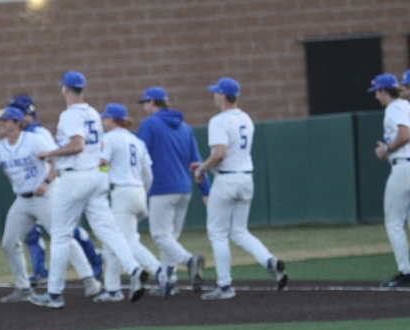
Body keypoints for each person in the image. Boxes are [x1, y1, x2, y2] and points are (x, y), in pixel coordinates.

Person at [28, 71, 150, 309]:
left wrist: (49, 153)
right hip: (96, 176)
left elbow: (77, 145)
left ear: (64, 89)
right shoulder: (93, 112)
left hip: (76, 176)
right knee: (109, 231)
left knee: (61, 234)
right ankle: (134, 268)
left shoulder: (70, 115)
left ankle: (54, 294)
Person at [0, 107, 101, 303]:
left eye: (5, 120)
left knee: (61, 235)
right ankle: (23, 288)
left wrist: (46, 183)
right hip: (23, 199)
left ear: (17, 123)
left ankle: (89, 279)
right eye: (0, 120)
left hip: (46, 196)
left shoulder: (33, 140)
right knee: (8, 242)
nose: (1, 124)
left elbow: (56, 162)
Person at [193, 77, 287, 300]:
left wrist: (202, 170)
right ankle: (269, 261)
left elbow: (220, 154)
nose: (215, 95)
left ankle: (224, 286)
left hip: (226, 180)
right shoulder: (246, 118)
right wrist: (206, 165)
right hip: (245, 177)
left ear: (224, 96)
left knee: (217, 233)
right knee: (239, 231)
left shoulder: (219, 120)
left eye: (217, 93)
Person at [8, 94, 104, 283]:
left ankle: (94, 261)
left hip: (51, 187)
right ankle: (40, 270)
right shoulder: (23, 135)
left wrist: (47, 182)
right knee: (34, 233)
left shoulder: (38, 133)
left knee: (66, 230)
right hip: (34, 191)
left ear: (28, 115)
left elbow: (54, 159)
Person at [137, 86, 208, 295]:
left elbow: (142, 158)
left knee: (160, 236)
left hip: (162, 187)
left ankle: (189, 261)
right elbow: (196, 162)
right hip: (184, 188)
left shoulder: (149, 124)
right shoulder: (185, 127)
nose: (144, 108)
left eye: (145, 103)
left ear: (151, 102)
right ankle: (168, 282)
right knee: (169, 239)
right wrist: (205, 189)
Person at [92, 104, 164, 302]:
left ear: (111, 120)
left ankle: (158, 270)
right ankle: (116, 287)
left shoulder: (109, 139)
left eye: (105, 118)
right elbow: (148, 173)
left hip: (122, 193)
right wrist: (143, 192)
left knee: (120, 241)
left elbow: (102, 163)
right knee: (120, 241)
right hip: (139, 191)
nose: (104, 122)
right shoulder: (136, 140)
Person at [369, 73, 410, 287]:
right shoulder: (406, 105)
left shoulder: (394, 108)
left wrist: (387, 149)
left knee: (394, 221)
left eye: (377, 91)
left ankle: (406, 271)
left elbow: (405, 134)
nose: (376, 96)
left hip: (403, 167)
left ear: (384, 90)